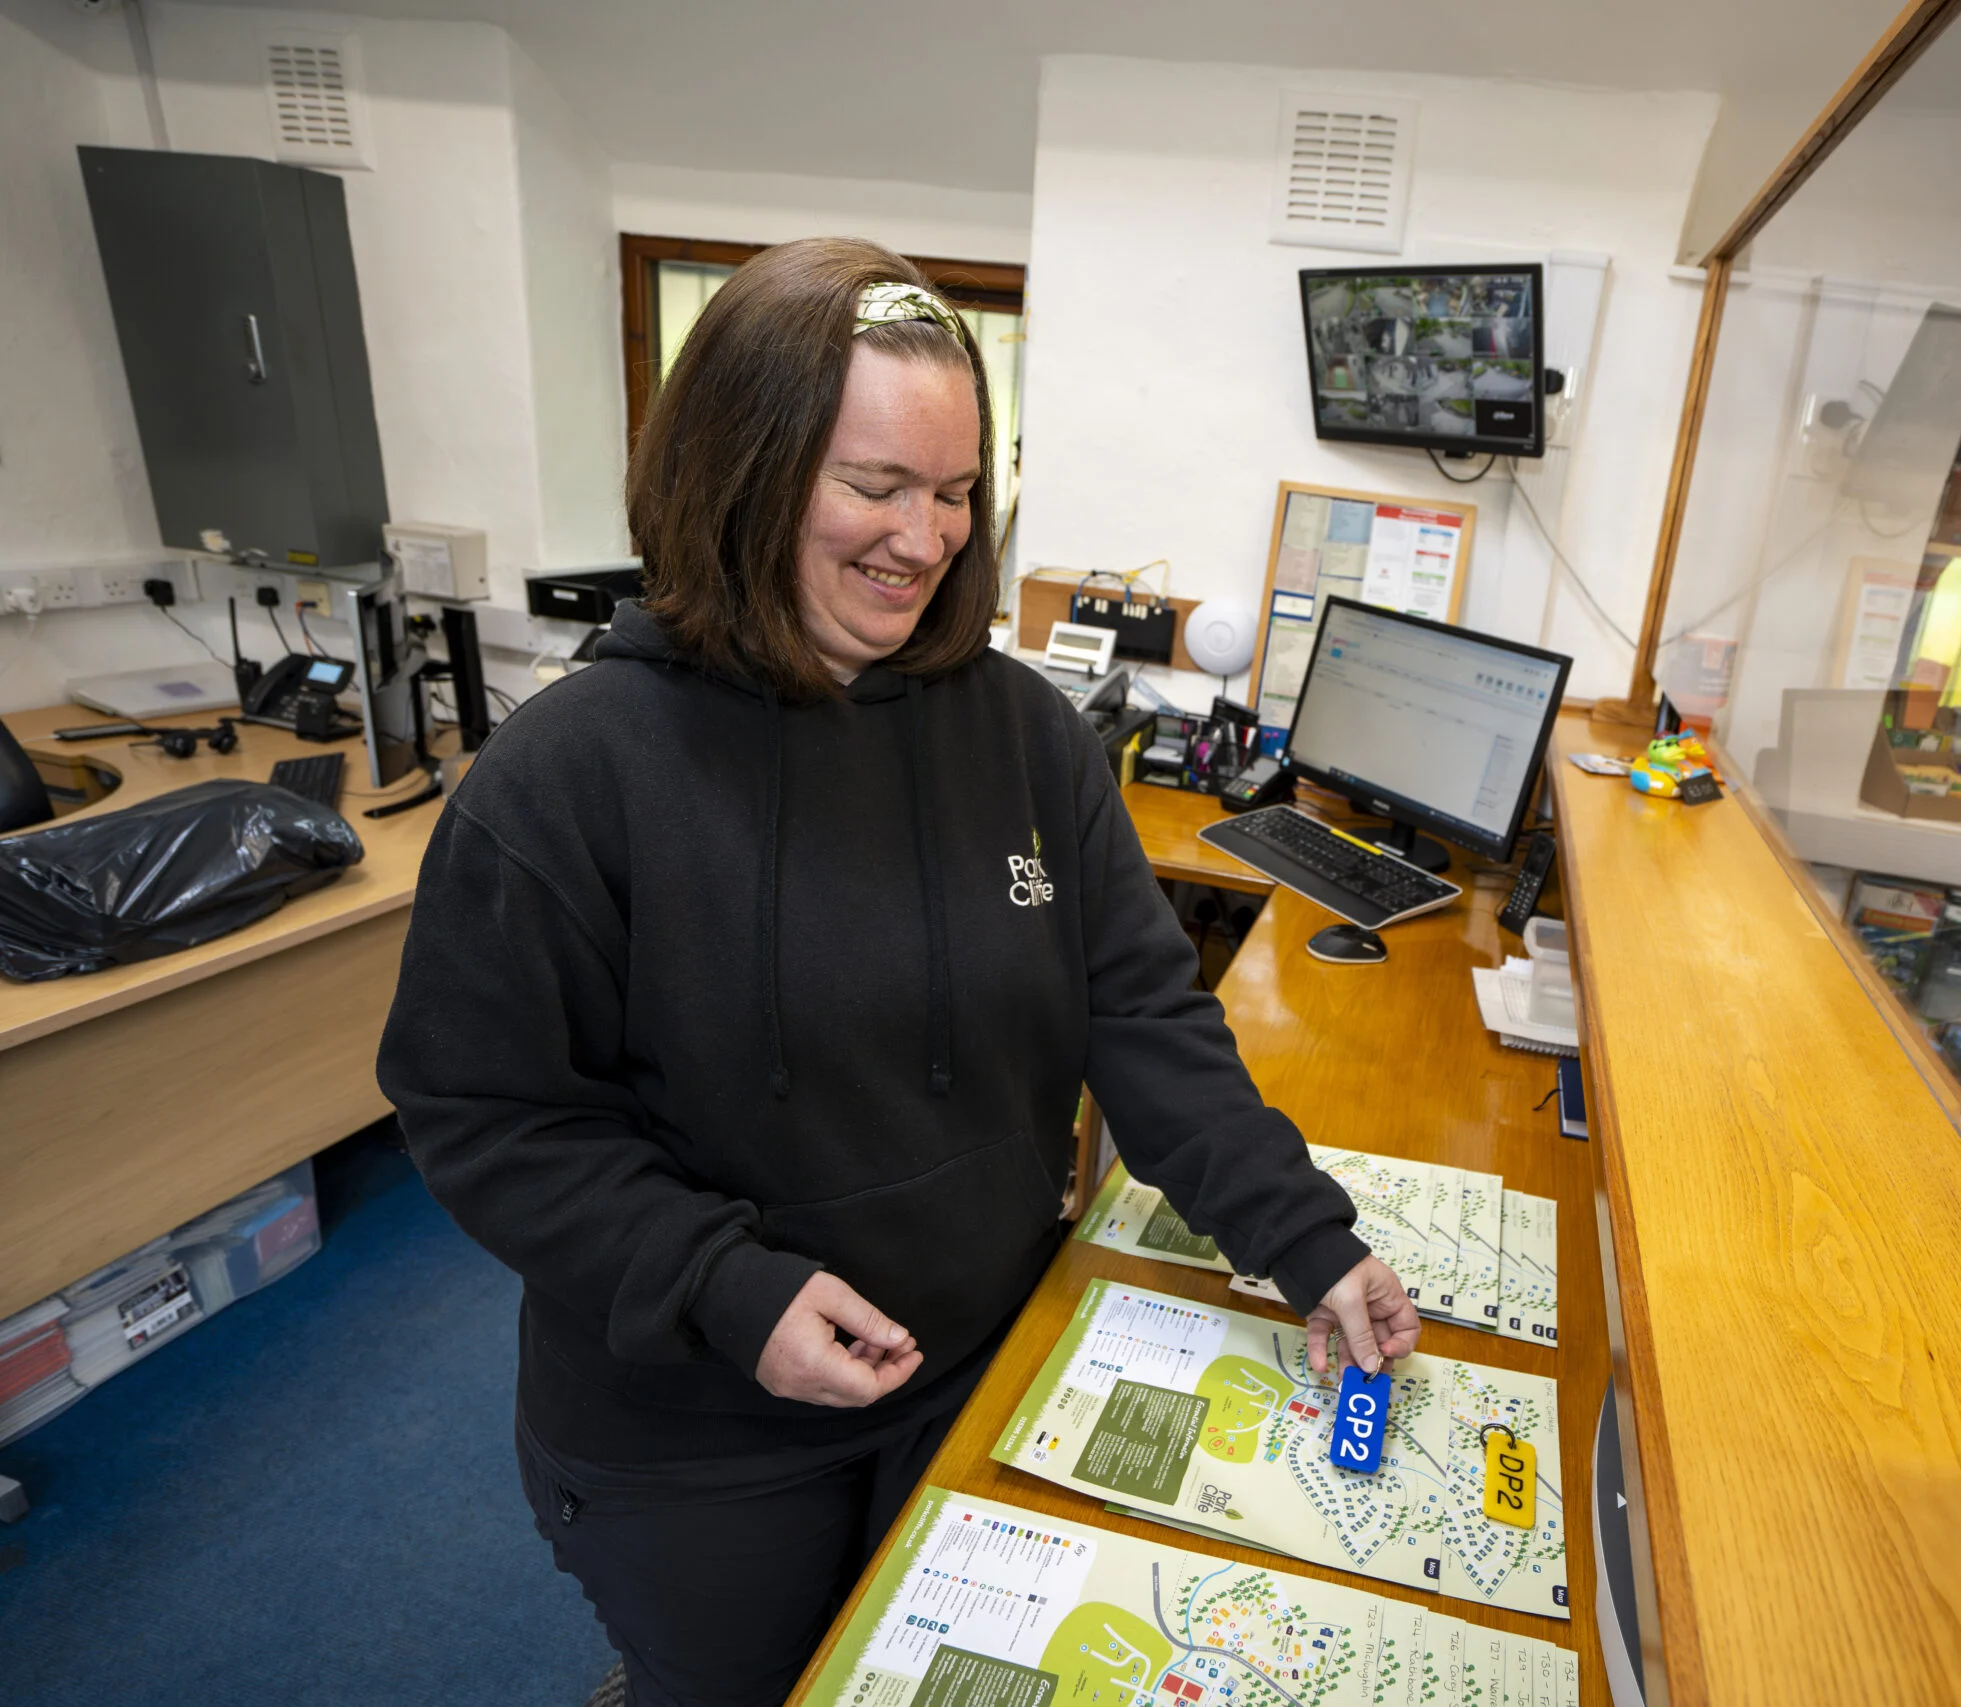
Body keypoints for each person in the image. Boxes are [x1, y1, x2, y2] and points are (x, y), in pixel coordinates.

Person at [375, 238, 1421, 1707]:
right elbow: (487, 1115)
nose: (922, 540)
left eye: (951, 491)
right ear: (740, 470)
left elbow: (1138, 1012)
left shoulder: (1028, 736)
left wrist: (1306, 1233)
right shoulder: (567, 775)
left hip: (976, 1357)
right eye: (873, 486)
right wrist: (725, 1287)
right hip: (702, 1421)